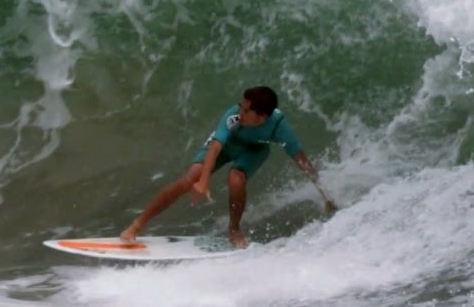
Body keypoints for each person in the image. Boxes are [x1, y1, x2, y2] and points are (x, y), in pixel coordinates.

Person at [120, 86, 337, 249]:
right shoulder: (234, 117)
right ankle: (136, 226)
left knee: (236, 179)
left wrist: (326, 196)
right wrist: (203, 182)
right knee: (191, 178)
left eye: (246, 110)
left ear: (261, 116)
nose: (240, 112)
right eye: (241, 106)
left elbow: (301, 160)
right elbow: (215, 148)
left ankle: (234, 229)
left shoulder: (279, 127)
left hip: (254, 150)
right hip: (226, 146)